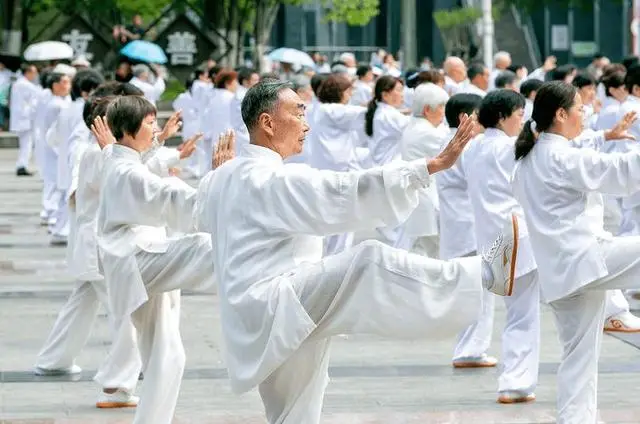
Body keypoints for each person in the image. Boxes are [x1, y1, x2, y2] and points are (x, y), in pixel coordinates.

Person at [197, 80, 521, 424]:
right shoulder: (267, 178)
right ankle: (483, 273)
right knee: (369, 262)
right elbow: (344, 190)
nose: (306, 125)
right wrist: (429, 166)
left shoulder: (224, 178)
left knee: (294, 411)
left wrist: (219, 177)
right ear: (267, 123)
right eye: (298, 114)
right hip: (278, 304)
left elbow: (202, 213)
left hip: (260, 316)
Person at [96, 95, 233, 424]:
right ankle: (262, 275)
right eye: (150, 124)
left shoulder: (116, 157)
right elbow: (171, 197)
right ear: (127, 131)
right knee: (206, 247)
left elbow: (143, 163)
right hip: (138, 259)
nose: (156, 129)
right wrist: (221, 177)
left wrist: (162, 141)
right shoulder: (126, 171)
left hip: (134, 259)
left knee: (166, 354)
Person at [512, 81, 639, 424]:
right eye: (581, 109)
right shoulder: (559, 157)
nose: (585, 114)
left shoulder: (527, 161)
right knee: (579, 355)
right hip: (584, 259)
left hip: (559, 272)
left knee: (578, 356)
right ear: (561, 114)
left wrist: (606, 136)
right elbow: (620, 172)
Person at [461, 89, 540, 403]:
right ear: (503, 116)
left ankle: (514, 380)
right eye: (519, 115)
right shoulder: (509, 147)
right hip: (516, 233)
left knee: (515, 310)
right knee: (523, 314)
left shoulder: (473, 148)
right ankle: (515, 382)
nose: (521, 120)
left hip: (489, 236)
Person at [395, 83, 450, 258]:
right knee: (436, 252)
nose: (444, 113)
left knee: (423, 250)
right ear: (427, 110)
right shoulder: (426, 132)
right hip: (427, 198)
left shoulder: (416, 125)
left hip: (421, 196)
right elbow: (454, 149)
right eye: (441, 107)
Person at [9, 64, 40, 176]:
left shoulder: (19, 83)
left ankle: (22, 165)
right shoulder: (25, 84)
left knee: (25, 144)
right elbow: (38, 94)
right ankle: (22, 166)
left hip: (22, 118)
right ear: (27, 72)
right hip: (25, 119)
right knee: (26, 144)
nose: (35, 75)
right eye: (34, 72)